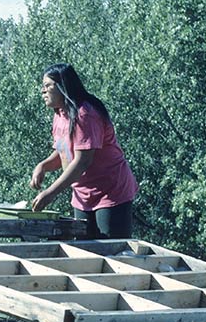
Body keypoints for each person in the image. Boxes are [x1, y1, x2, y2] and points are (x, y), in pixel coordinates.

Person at [29, 62, 138, 239]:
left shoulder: (85, 114)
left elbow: (82, 161)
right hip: (82, 195)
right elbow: (64, 152)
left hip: (110, 191)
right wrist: (43, 166)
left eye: (48, 85)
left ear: (63, 87)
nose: (43, 91)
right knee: (86, 250)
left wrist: (50, 193)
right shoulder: (60, 114)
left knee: (112, 251)